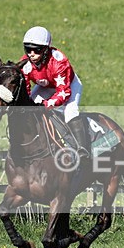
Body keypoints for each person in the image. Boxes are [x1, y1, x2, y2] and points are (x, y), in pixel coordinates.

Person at [19, 26, 88, 156]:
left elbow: (63, 92)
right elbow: (26, 89)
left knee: (70, 112)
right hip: (45, 86)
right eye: (28, 49)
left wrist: (46, 104)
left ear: (45, 50)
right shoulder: (25, 63)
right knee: (29, 107)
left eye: (37, 50)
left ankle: (82, 148)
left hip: (68, 85)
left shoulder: (59, 62)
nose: (31, 54)